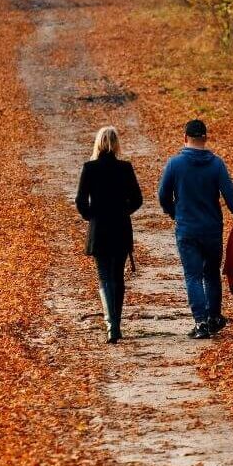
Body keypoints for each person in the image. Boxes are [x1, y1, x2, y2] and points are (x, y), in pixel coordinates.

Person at [158, 119, 233, 339]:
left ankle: (200, 323)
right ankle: (214, 317)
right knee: (211, 274)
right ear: (205, 138)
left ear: (185, 138)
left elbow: (163, 195)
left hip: (187, 228)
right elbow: (230, 193)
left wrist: (174, 212)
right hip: (211, 229)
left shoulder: (175, 164)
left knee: (193, 276)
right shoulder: (216, 164)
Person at [76, 126, 143, 344]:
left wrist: (91, 216)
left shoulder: (90, 168)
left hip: (99, 230)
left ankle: (111, 325)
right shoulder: (125, 168)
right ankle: (116, 324)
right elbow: (138, 199)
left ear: (98, 143)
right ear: (116, 144)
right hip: (121, 228)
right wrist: (124, 211)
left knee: (104, 276)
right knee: (118, 276)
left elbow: (80, 201)